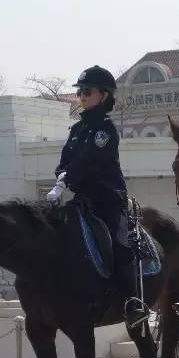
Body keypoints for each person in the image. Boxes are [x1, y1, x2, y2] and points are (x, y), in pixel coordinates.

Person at [49, 65, 147, 328]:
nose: (81, 96)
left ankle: (132, 301)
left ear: (103, 95)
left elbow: (89, 162)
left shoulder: (105, 130)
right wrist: (61, 176)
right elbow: (65, 162)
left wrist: (66, 179)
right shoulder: (76, 130)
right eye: (79, 91)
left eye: (87, 91)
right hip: (82, 200)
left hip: (107, 199)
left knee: (120, 244)